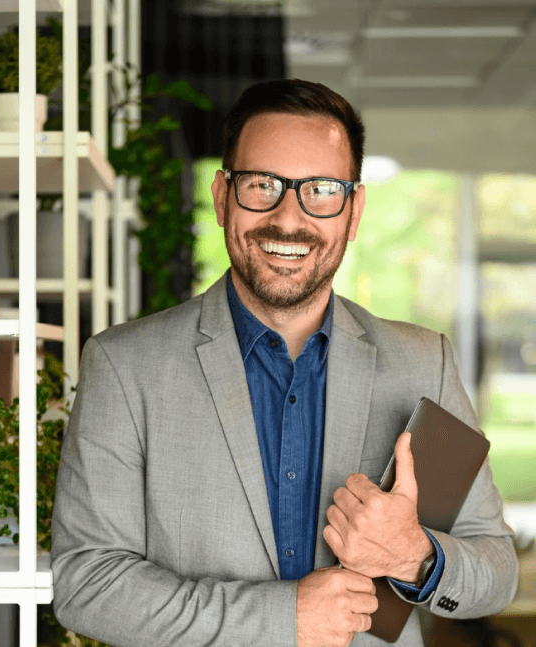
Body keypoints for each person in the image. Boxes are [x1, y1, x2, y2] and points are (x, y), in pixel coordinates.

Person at [51, 79, 519, 647]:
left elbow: (497, 571)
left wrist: (415, 555)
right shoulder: (125, 366)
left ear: (353, 210)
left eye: (321, 189)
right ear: (223, 197)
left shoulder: (424, 363)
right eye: (262, 184)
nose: (288, 218)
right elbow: (87, 585)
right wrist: (282, 618)